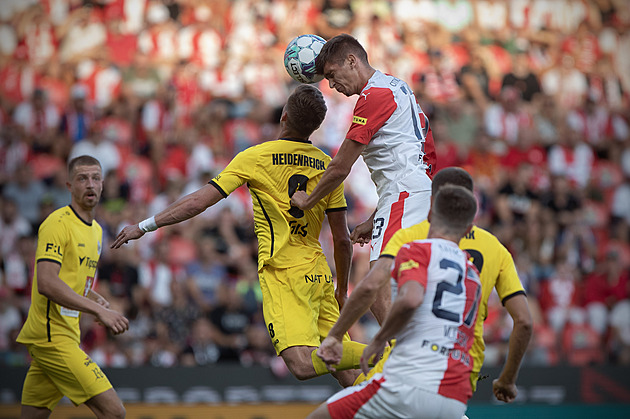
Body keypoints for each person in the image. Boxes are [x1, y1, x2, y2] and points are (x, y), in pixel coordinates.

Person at [111, 85, 368, 387]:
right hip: (319, 273)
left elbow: (198, 202)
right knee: (349, 375)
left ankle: (389, 351)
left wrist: (143, 226)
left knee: (300, 364)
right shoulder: (327, 166)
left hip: (283, 272)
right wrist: (341, 290)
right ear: (316, 126)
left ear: (284, 116)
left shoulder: (255, 157)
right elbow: (341, 239)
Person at [317, 167, 532, 403]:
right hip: (461, 373)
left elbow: (372, 288)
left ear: (431, 200)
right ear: (472, 204)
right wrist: (507, 380)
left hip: (411, 361)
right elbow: (523, 321)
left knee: (334, 405)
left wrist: (341, 336)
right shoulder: (496, 249)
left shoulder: (411, 234)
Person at [290, 33, 437, 324]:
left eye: (332, 75)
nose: (331, 85)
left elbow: (339, 167)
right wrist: (378, 215)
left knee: (375, 287)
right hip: (408, 195)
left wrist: (308, 200)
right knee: (401, 285)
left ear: (352, 60)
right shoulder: (397, 87)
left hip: (404, 195)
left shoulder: (374, 97)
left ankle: (405, 361)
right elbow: (427, 156)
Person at [307, 185, 481, 419]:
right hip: (455, 395)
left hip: (409, 384)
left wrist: (375, 340)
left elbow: (397, 295)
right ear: (468, 228)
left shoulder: (417, 250)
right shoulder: (471, 273)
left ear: (429, 215)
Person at [16, 155, 129, 419]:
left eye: (95, 178)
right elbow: (46, 282)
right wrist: (97, 311)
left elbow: (71, 280)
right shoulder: (57, 223)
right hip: (51, 337)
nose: (90, 184)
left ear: (103, 185)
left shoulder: (97, 231)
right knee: (114, 413)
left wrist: (93, 297)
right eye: (82, 178)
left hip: (65, 335)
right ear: (69, 185)